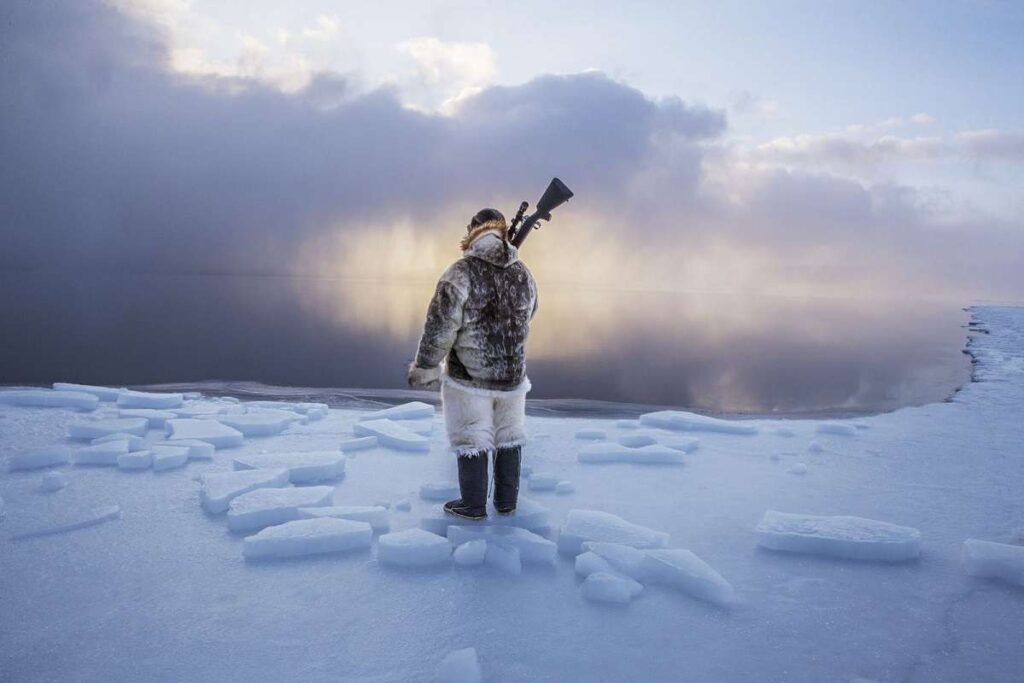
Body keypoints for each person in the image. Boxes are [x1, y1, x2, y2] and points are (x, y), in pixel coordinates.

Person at [407, 208, 538, 520]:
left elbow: (440, 326)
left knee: (470, 435)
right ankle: (506, 502)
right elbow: (530, 312)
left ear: (472, 232)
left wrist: (426, 366)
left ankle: (473, 505)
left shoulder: (460, 272)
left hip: (470, 378)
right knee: (509, 434)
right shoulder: (524, 273)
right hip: (511, 376)